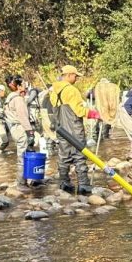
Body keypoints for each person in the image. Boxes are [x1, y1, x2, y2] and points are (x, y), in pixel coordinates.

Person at [49, 65, 91, 195]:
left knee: (64, 156)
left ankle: (64, 182)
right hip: (74, 128)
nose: (76, 78)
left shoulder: (53, 91)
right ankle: (83, 185)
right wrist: (94, 114)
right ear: (68, 75)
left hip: (61, 130)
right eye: (75, 76)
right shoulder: (71, 90)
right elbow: (79, 111)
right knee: (79, 156)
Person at [4, 77, 33, 158]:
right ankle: (21, 168)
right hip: (20, 129)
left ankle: (20, 168)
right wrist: (30, 132)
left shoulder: (9, 97)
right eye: (24, 85)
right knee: (23, 155)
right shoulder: (18, 99)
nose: (26, 87)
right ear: (19, 87)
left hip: (13, 129)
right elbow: (23, 117)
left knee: (21, 152)